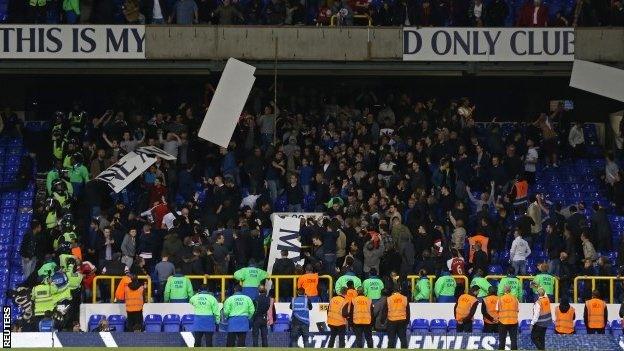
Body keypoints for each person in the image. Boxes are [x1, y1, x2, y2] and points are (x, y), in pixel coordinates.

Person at [496, 285, 519, 350]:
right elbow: (517, 310)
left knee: (502, 339)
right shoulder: (515, 299)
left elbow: (497, 310)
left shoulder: (500, 299)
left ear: (504, 290)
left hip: (502, 321)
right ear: (510, 290)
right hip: (513, 321)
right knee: (514, 339)